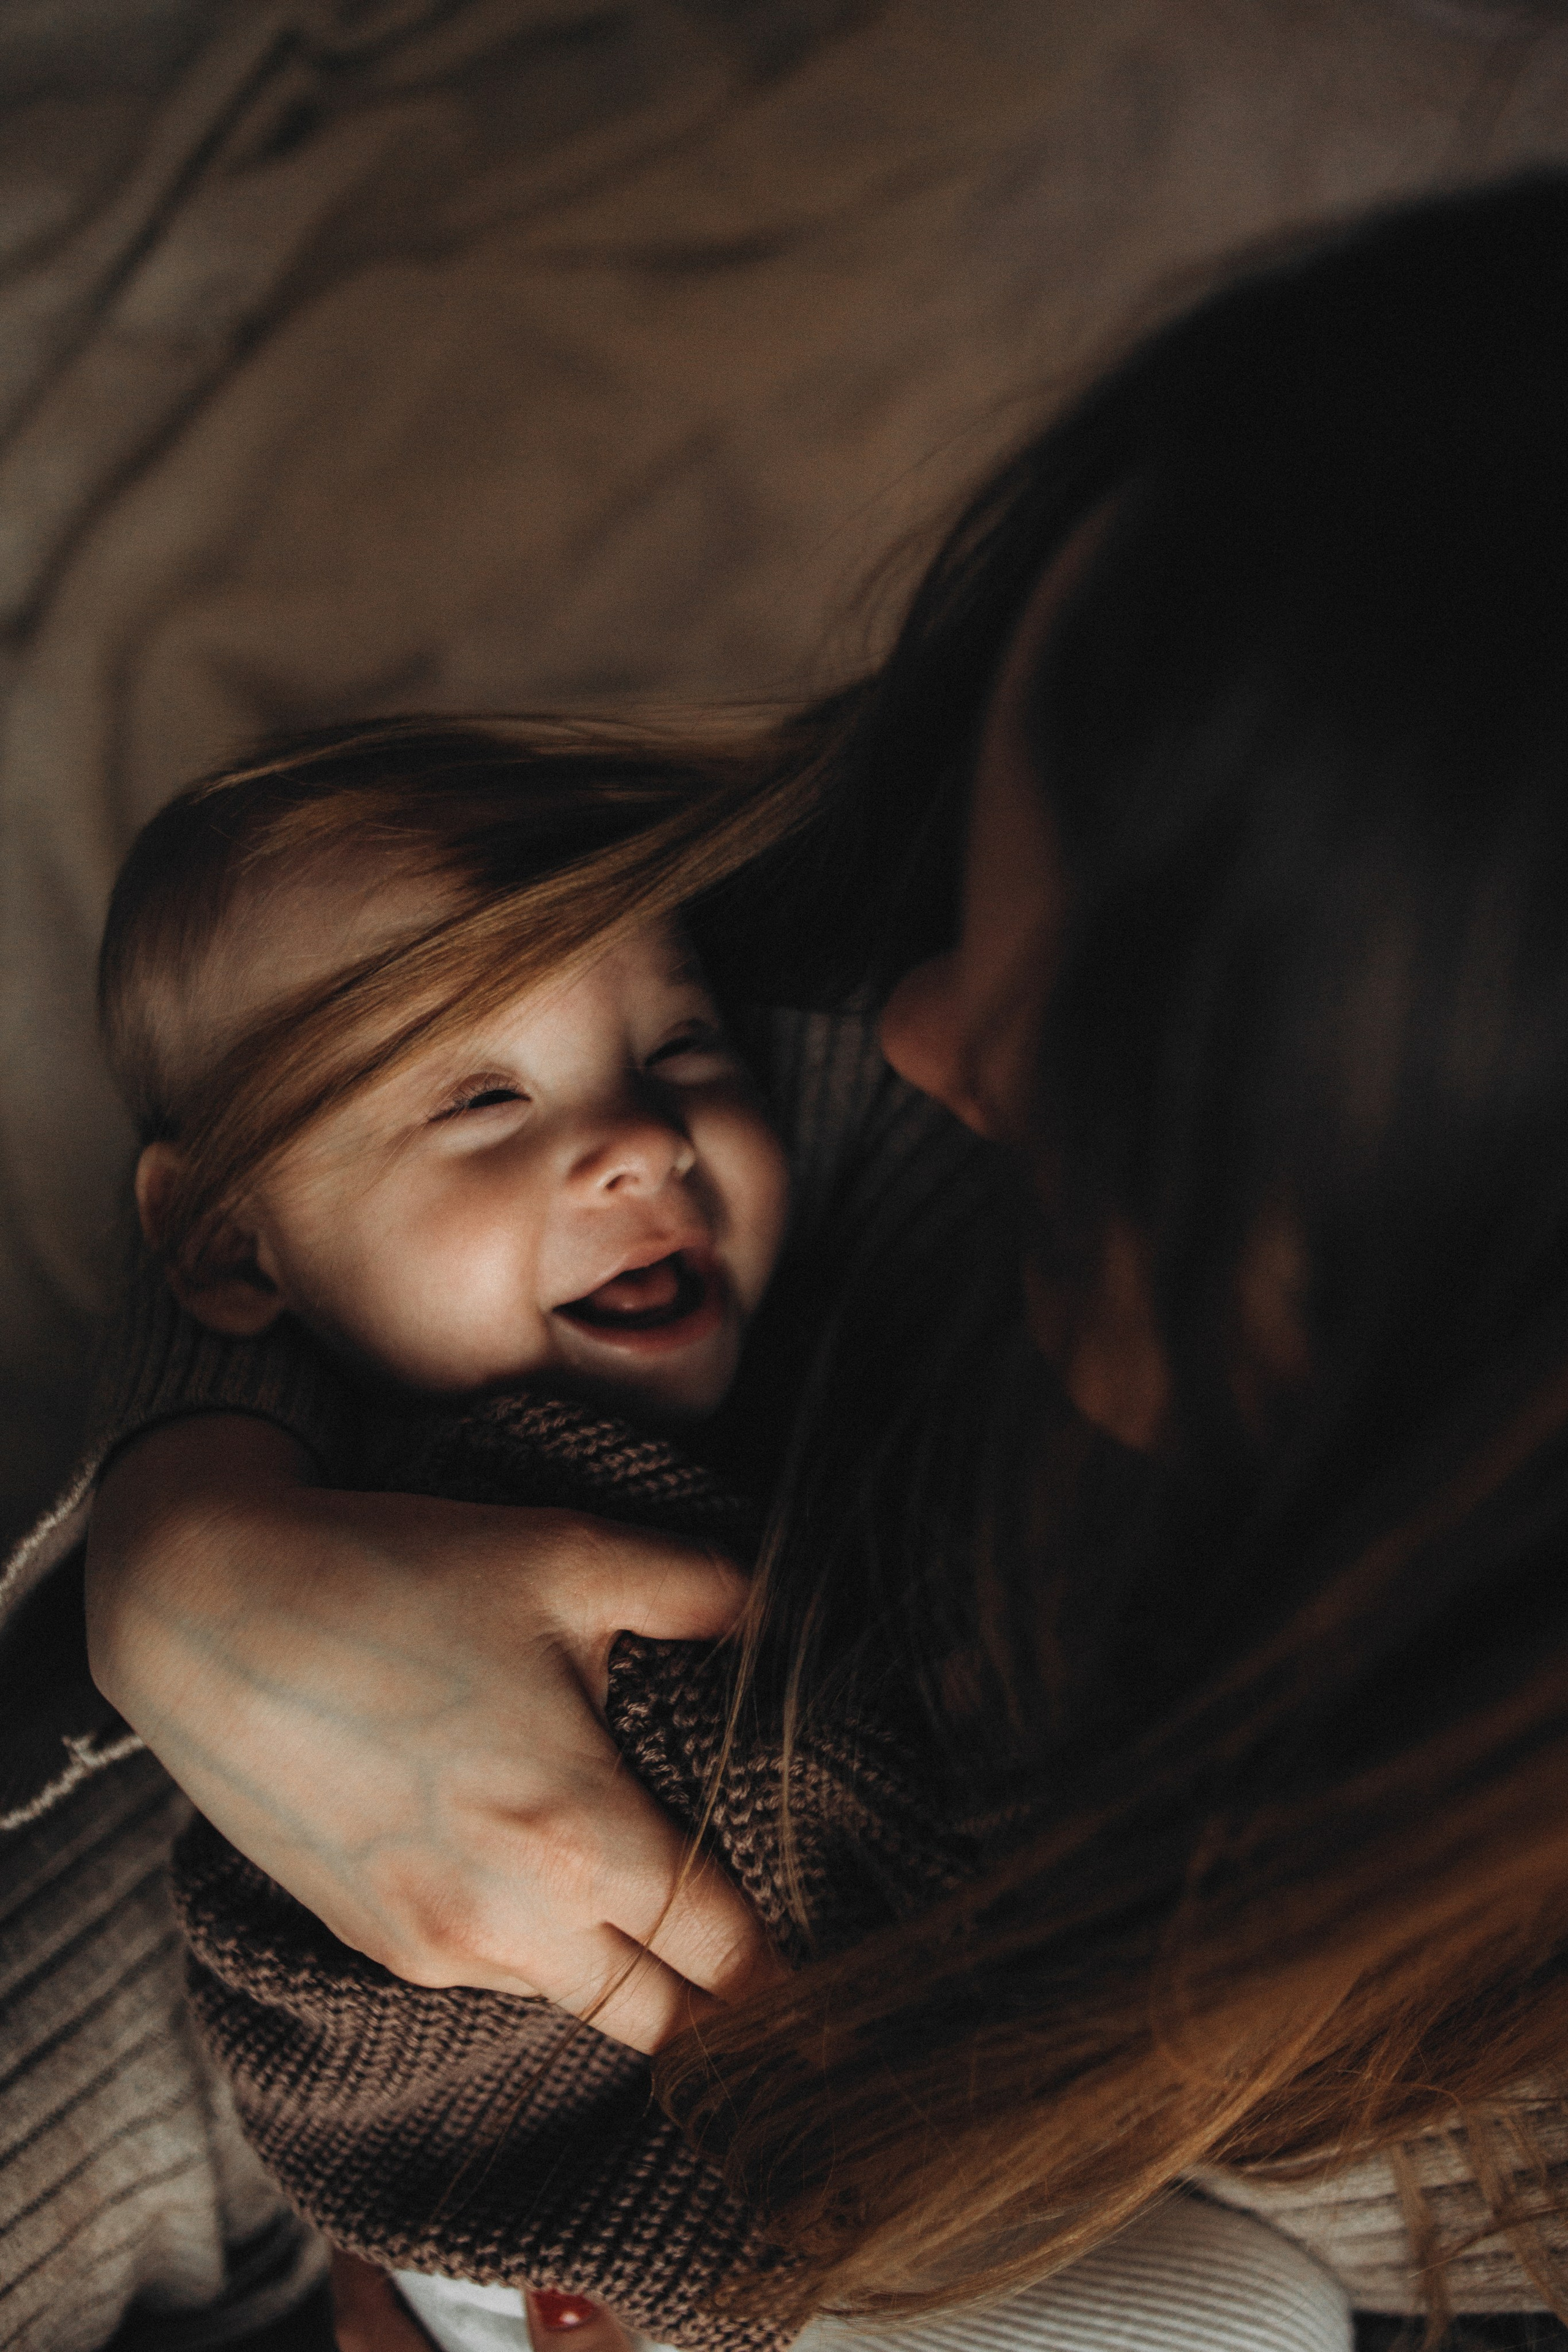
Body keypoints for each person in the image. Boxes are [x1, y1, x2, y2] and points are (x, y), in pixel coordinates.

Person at [15, 165, 1568, 2348]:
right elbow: (324, 1047)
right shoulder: (968, 912)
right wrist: (199, 1544)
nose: (909, 1040)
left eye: (1073, 1071)